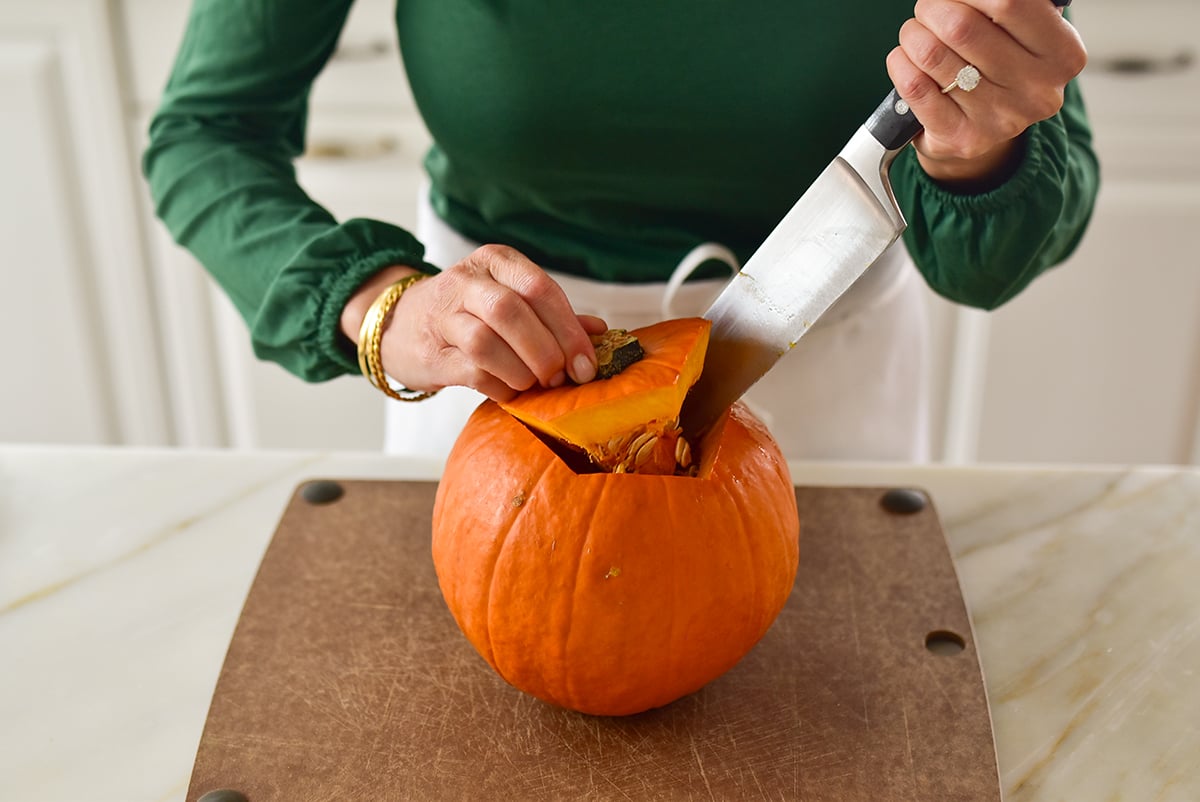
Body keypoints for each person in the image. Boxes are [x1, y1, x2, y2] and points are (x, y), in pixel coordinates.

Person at [143, 0, 1097, 461]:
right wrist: (383, 311)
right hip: (495, 380)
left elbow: (998, 255)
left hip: (824, 370)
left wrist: (980, 149)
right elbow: (204, 134)